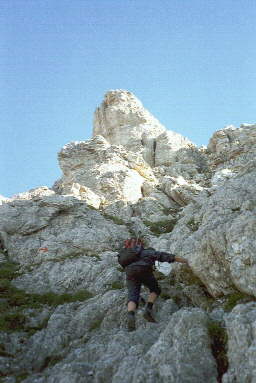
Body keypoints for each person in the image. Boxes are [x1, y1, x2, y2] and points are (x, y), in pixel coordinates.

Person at [120, 238, 188, 332]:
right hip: (144, 270)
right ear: (140, 244)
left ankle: (131, 314)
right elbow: (165, 256)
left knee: (132, 295)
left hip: (130, 273)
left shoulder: (126, 255)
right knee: (155, 289)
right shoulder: (146, 252)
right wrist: (186, 260)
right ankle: (148, 309)